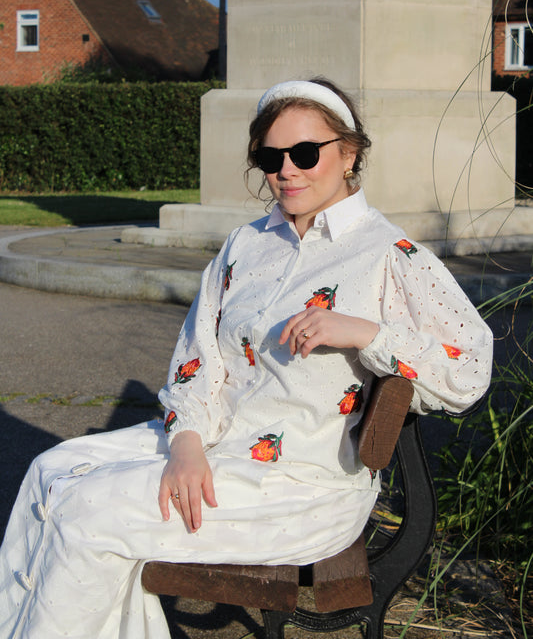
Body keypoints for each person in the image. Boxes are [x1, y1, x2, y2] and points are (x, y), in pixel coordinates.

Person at [0, 78, 493, 639]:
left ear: (348, 152)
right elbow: (197, 357)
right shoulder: (246, 244)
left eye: (305, 153)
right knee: (48, 472)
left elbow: (468, 371)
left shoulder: (388, 255)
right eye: (270, 157)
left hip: (299, 486)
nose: (287, 170)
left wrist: (364, 331)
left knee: (86, 512)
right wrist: (185, 442)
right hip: (214, 446)